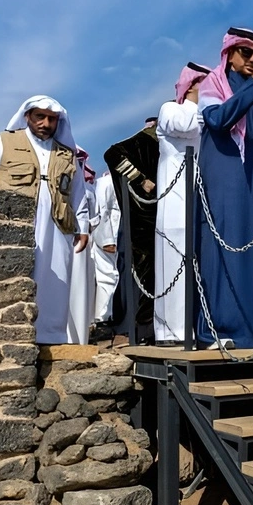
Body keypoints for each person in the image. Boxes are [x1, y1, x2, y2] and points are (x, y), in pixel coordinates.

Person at [193, 27, 253, 349]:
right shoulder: (213, 84)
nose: (252, 60)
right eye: (245, 53)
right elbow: (218, 120)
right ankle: (216, 331)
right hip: (225, 184)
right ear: (229, 54)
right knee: (221, 254)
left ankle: (252, 333)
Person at [0, 96, 91, 344]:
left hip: (58, 226)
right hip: (18, 224)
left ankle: (52, 336)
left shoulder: (67, 154)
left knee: (57, 280)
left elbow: (78, 193)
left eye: (51, 119)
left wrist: (84, 226)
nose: (45, 123)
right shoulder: (4, 141)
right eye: (40, 117)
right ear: (28, 117)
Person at [153, 63, 208, 343]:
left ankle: (203, 328)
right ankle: (171, 331)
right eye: (205, 83)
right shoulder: (171, 109)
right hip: (174, 196)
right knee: (174, 257)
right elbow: (185, 126)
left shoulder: (205, 114)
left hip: (203, 194)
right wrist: (204, 104)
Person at [103, 117, 159, 339]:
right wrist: (141, 180)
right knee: (138, 272)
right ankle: (130, 329)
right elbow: (113, 155)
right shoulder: (146, 140)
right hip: (140, 220)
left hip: (169, 218)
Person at [66, 149, 98, 345]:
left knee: (80, 288)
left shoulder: (88, 189)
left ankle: (78, 339)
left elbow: (93, 215)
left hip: (82, 241)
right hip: (59, 237)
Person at [90, 168, 121, 328]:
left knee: (116, 276)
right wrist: (107, 240)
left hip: (118, 235)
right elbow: (102, 211)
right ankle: (104, 316)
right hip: (109, 237)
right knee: (107, 276)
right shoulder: (106, 183)